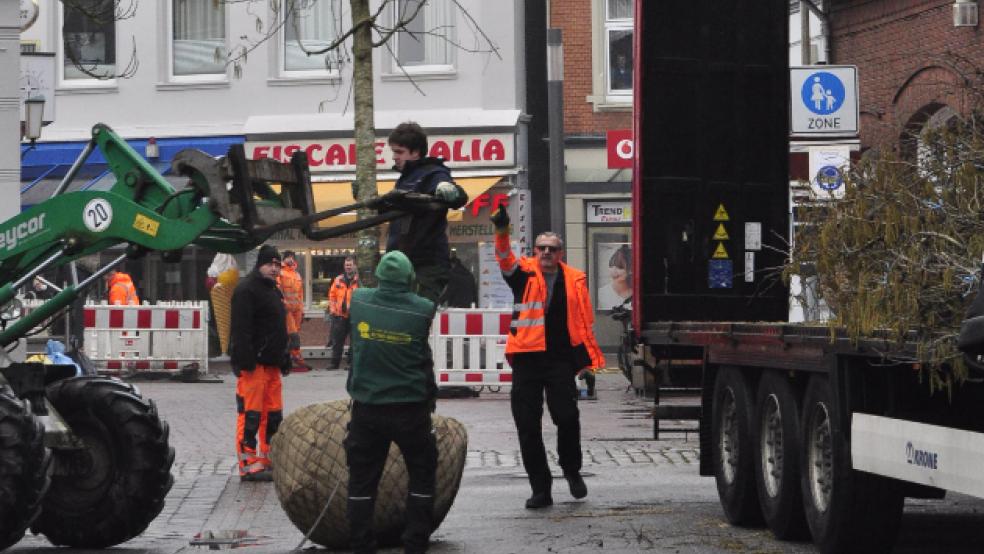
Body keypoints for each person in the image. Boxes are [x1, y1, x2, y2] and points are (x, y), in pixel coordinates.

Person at [489, 206, 604, 509]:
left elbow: (583, 321)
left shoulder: (575, 280)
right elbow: (503, 258)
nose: (546, 253)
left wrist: (587, 364)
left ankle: (571, 469)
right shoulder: (523, 273)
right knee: (528, 426)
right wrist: (502, 231)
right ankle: (541, 488)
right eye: (541, 248)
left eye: (552, 249)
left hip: (560, 360)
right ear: (535, 251)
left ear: (561, 253)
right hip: (527, 359)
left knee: (566, 417)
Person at [345, 250, 438, 554]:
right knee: (422, 474)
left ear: (380, 277)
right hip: (410, 408)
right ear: (409, 278)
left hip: (367, 408)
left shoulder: (358, 300)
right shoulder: (423, 309)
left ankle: (361, 544)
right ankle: (415, 543)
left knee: (361, 480)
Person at [385, 121, 468, 303]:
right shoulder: (405, 178)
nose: (394, 157)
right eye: (393, 152)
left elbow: (457, 195)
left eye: (399, 152)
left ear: (415, 152)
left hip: (426, 264)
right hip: (403, 263)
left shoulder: (432, 172)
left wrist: (447, 188)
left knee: (415, 315)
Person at [230, 245, 291, 482]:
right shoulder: (247, 290)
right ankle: (248, 463)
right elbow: (241, 329)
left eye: (278, 265)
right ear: (260, 264)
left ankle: (267, 458)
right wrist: (245, 360)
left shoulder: (273, 291)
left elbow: (279, 328)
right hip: (254, 365)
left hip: (272, 365)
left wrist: (284, 356)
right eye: (271, 264)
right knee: (251, 414)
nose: (275, 269)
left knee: (273, 414)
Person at [278, 250, 310, 371]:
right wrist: (283, 305)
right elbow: (278, 290)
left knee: (291, 336)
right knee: (293, 336)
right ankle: (298, 359)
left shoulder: (297, 275)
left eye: (292, 257)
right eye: (288, 258)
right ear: (284, 259)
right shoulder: (280, 272)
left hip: (297, 311)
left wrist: (302, 310)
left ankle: (287, 360)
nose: (291, 260)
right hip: (286, 310)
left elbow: (300, 294)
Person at [327, 256, 359, 370]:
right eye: (346, 265)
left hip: (354, 316)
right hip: (339, 315)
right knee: (337, 341)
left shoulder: (359, 281)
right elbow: (332, 296)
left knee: (354, 341)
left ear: (355, 266)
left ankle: (351, 364)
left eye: (350, 265)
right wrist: (333, 310)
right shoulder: (338, 279)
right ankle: (334, 364)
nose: (348, 267)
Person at [596, 244, 632, 310]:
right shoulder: (601, 294)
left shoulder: (637, 293)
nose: (613, 271)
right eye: (611, 266)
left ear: (630, 270)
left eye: (620, 267)